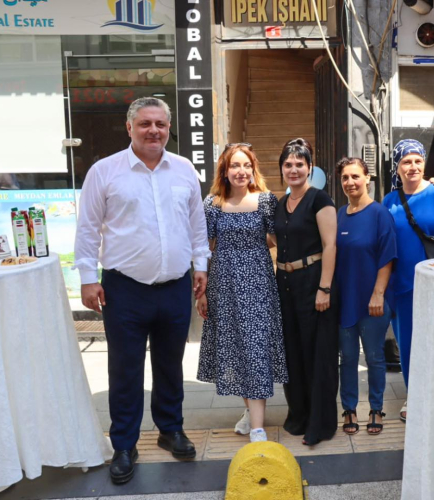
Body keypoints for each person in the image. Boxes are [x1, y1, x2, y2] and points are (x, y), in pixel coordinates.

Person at [74, 97, 210, 484]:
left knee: (170, 364)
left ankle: (170, 429)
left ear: (169, 128)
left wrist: (201, 266)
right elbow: (88, 228)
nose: (154, 131)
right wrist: (87, 277)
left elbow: (196, 224)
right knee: (125, 368)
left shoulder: (183, 169)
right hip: (124, 289)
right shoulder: (104, 171)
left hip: (175, 286)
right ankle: (123, 443)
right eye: (145, 123)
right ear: (129, 127)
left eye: (160, 124)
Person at [195, 143, 288, 443]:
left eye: (246, 165)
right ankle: (251, 411)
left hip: (258, 285)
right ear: (224, 170)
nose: (241, 171)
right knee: (234, 349)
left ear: (253, 169)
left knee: (256, 349)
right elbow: (205, 248)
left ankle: (258, 427)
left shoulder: (265, 200)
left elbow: (276, 239)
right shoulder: (212, 204)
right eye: (235, 165)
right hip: (223, 286)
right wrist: (202, 292)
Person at [382, 139, 434, 422]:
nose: (413, 166)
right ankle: (414, 396)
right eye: (406, 161)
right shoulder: (389, 201)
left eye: (418, 160)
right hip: (402, 285)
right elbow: (383, 244)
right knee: (408, 344)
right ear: (397, 167)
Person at [273, 138, 339, 446]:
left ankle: (319, 423)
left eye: (299, 164)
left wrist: (324, 288)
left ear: (310, 168)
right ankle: (298, 415)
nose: (294, 169)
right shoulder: (281, 203)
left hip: (314, 283)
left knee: (317, 355)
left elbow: (330, 245)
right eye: (288, 164)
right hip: (285, 284)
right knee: (293, 353)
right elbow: (276, 239)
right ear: (281, 169)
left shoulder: (319, 199)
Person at [335, 157, 397, 436]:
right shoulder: (339, 214)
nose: (350, 182)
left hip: (373, 301)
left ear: (367, 178)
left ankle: (376, 409)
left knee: (374, 358)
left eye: (355, 176)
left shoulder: (380, 213)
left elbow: (388, 257)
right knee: (347, 358)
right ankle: (349, 408)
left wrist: (378, 294)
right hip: (345, 300)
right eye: (345, 178)